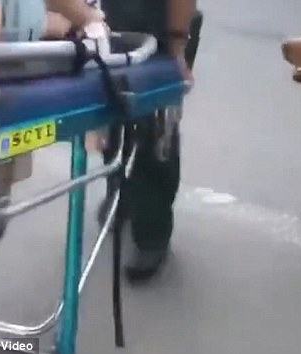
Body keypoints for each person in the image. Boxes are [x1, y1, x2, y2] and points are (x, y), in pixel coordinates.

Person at [100, 0, 200, 282]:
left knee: (154, 132)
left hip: (162, 29)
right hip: (110, 23)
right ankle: (120, 195)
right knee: (110, 118)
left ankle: (152, 236)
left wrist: (177, 49)